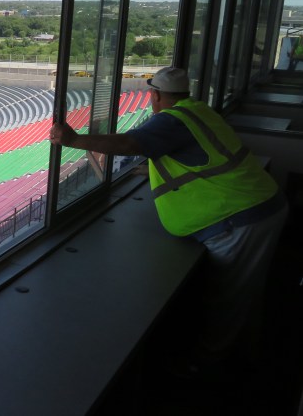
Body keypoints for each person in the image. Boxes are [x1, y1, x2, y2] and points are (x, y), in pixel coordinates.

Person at [50, 66, 288, 376]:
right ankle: (238, 354)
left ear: (156, 96)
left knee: (230, 298)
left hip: (241, 218)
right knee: (243, 292)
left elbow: (132, 144)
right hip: (257, 206)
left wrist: (74, 139)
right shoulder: (198, 111)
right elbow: (185, 153)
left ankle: (207, 368)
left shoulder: (172, 121)